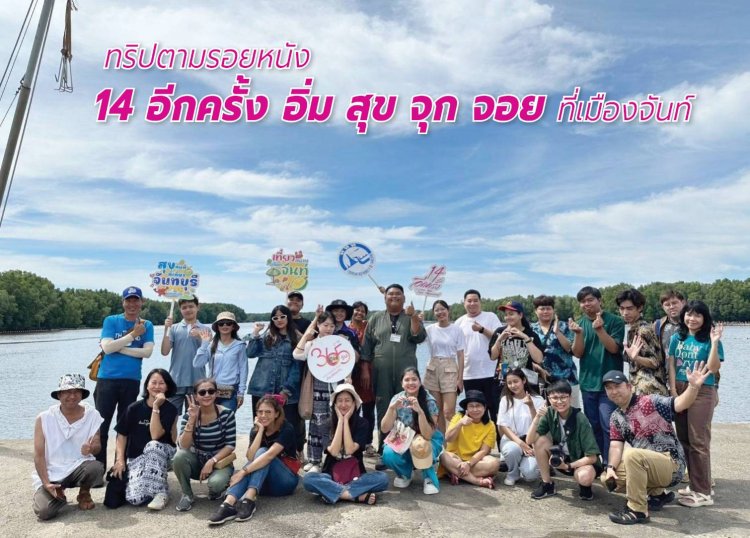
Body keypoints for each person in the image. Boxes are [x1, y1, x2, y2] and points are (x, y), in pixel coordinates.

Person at [603, 365, 713, 524]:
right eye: (609, 388)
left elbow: (680, 403)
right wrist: (610, 468)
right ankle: (657, 493)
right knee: (607, 478)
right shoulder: (616, 417)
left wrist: (693, 387)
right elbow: (615, 446)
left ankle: (637, 510)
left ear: (629, 386)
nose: (613, 391)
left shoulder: (650, 401)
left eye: (617, 386)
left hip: (671, 464)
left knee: (632, 455)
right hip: (647, 464)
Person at [361, 284, 426, 469]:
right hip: (380, 372)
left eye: (398, 294)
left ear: (404, 298)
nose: (394, 297)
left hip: (406, 374)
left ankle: (408, 451)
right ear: (385, 298)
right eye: (391, 294)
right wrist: (365, 369)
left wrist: (413, 316)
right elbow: (366, 346)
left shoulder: (411, 317)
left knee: (408, 408)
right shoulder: (375, 318)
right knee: (384, 409)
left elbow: (419, 337)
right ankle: (384, 451)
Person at [209, 395, 300, 525]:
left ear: (276, 414)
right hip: (263, 485)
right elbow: (250, 457)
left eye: (268, 412)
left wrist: (242, 472)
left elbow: (269, 455)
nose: (263, 415)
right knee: (256, 459)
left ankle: (249, 499)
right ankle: (228, 504)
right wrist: (260, 431)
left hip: (285, 482)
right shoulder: (256, 430)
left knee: (262, 453)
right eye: (260, 412)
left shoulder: (286, 429)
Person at [668, 300, 724, 507]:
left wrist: (715, 343)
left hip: (702, 390)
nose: (692, 319)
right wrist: (673, 390)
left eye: (697, 315)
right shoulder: (677, 337)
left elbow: (713, 367)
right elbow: (671, 365)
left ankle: (703, 492)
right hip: (681, 389)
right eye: (689, 314)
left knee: (698, 441)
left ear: (704, 318)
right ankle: (695, 484)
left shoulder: (709, 338)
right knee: (684, 439)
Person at [95, 286, 155, 469]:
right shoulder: (111, 321)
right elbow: (107, 348)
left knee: (125, 425)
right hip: (107, 379)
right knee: (101, 424)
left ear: (142, 302)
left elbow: (147, 352)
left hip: (131, 380)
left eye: (136, 300)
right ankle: (98, 467)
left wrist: (119, 348)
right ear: (123, 302)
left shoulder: (147, 325)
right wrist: (133, 336)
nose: (132, 304)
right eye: (128, 300)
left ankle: (119, 467)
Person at [32, 374, 104, 520]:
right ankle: (58, 494)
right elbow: (38, 455)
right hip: (52, 472)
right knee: (44, 512)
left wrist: (91, 448)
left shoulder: (92, 415)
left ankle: (84, 493)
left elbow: (97, 445)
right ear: (59, 395)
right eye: (67, 392)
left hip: (78, 466)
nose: (72, 396)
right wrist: (46, 483)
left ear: (82, 395)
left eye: (77, 392)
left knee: (96, 467)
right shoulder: (44, 418)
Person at [303, 384, 389, 504]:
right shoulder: (326, 424)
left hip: (357, 475)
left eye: (347, 400)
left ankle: (333, 493)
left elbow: (349, 450)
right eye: (340, 401)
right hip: (331, 476)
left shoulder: (362, 423)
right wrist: (340, 421)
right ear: (334, 404)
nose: (343, 405)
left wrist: (346, 419)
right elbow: (334, 451)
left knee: (383, 479)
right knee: (308, 479)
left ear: (354, 403)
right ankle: (353, 496)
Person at [569, 286, 624, 463]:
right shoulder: (580, 324)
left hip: (610, 385)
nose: (587, 304)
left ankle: (611, 464)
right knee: (594, 426)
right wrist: (578, 334)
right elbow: (577, 353)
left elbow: (614, 348)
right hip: (588, 383)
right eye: (583, 301)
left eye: (590, 300)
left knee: (609, 424)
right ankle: (600, 462)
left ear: (600, 300)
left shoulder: (615, 321)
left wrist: (600, 330)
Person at [112, 368, 179, 510]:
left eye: (161, 383)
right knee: (135, 499)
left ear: (167, 387)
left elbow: (155, 435)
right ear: (147, 385)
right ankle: (152, 484)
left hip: (162, 452)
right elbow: (121, 434)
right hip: (137, 456)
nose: (157, 386)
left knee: (152, 445)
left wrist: (156, 407)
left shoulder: (170, 409)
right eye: (153, 382)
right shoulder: (133, 408)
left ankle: (161, 493)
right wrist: (120, 460)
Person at [527, 380, 601, 501]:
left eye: (563, 397)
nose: (559, 401)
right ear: (549, 399)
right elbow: (530, 440)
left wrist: (568, 466)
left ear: (570, 398)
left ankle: (585, 486)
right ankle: (547, 484)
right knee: (540, 441)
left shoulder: (580, 419)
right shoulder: (549, 413)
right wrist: (537, 417)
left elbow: (592, 457)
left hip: (579, 462)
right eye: (555, 398)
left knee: (584, 477)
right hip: (561, 457)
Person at [172, 378, 237, 512]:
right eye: (202, 392)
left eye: (211, 391)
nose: (207, 395)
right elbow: (183, 446)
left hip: (219, 461)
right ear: (196, 396)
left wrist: (212, 461)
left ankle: (217, 489)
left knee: (216, 484)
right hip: (197, 460)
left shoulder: (227, 414)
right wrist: (192, 419)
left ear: (216, 394)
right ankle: (187, 494)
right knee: (179, 457)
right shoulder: (189, 415)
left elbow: (230, 445)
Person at [246, 305, 303, 452]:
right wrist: (255, 333)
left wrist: (286, 391)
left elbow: (296, 368)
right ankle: (257, 454)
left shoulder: (297, 338)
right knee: (260, 424)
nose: (279, 320)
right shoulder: (266, 337)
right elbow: (250, 353)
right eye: (275, 317)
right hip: (262, 389)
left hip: (286, 393)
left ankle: (289, 456)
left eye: (282, 316)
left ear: (288, 317)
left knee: (288, 426)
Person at [380, 367, 443, 495]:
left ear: (420, 382)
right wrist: (391, 409)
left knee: (421, 445)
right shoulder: (397, 399)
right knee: (388, 453)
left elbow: (428, 435)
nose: (411, 383)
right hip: (404, 437)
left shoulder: (429, 401)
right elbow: (384, 428)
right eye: (407, 380)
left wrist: (420, 411)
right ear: (402, 384)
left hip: (426, 439)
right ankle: (405, 473)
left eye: (414, 379)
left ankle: (429, 477)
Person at [294, 311, 340, 472]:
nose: (329, 328)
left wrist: (348, 378)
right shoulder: (312, 344)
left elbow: (346, 363)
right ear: (318, 326)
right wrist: (306, 337)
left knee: (333, 423)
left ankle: (332, 460)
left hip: (335, 388)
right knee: (316, 423)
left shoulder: (338, 343)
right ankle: (315, 460)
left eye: (332, 326)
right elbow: (296, 355)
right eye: (325, 325)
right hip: (317, 387)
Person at [455, 289, 502, 426]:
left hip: (491, 373)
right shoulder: (459, 322)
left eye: (475, 300)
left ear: (480, 302)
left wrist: (482, 330)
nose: (472, 303)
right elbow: (456, 352)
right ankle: (478, 439)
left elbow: (500, 338)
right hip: (469, 374)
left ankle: (499, 439)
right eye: (469, 301)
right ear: (464, 303)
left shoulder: (490, 317)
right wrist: (458, 377)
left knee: (495, 410)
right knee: (475, 413)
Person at [439, 390, 499, 488]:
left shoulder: (490, 425)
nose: (475, 409)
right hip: (455, 458)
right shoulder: (459, 417)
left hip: (475, 461)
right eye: (471, 406)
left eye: (478, 406)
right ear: (466, 408)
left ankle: (456, 473)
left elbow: (484, 451)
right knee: (443, 456)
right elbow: (448, 438)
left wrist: (468, 464)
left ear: (484, 407)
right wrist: (460, 424)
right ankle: (477, 481)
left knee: (495, 463)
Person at [160, 295, 208, 414]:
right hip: (176, 381)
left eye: (191, 306)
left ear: (198, 307)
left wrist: (200, 336)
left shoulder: (205, 329)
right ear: (180, 310)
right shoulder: (174, 328)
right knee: (170, 417)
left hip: (197, 381)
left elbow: (208, 351)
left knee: (194, 418)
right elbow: (165, 352)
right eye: (184, 307)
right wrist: (166, 329)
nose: (188, 310)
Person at [530, 295, 580, 407]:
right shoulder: (531, 329)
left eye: (548, 308)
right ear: (536, 311)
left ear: (553, 310)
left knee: (571, 412)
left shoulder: (564, 326)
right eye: (542, 309)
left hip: (567, 378)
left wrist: (557, 332)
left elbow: (570, 349)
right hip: (541, 380)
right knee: (545, 413)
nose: (545, 311)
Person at [424, 299, 465, 433]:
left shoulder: (456, 329)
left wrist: (460, 378)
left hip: (450, 367)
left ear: (448, 310)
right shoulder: (429, 329)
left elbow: (460, 355)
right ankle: (442, 441)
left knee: (448, 412)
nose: (440, 312)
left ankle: (455, 438)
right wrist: (417, 321)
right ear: (433, 312)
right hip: (433, 366)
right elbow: (415, 336)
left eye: (443, 309)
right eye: (437, 310)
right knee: (437, 411)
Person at [616, 288, 667, 395]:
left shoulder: (643, 330)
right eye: (622, 308)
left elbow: (655, 362)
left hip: (650, 389)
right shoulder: (634, 328)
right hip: (640, 386)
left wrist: (636, 358)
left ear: (640, 308)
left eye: (629, 308)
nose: (625, 313)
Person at [497, 369, 543, 485]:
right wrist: (521, 444)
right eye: (509, 383)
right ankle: (513, 473)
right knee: (511, 450)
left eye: (516, 381)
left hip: (532, 442)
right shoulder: (505, 400)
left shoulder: (538, 399)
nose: (513, 385)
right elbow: (503, 426)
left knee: (530, 475)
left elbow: (540, 425)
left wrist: (531, 406)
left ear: (524, 380)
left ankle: (524, 466)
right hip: (512, 440)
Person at [194, 312, 248, 411]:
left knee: (226, 418)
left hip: (231, 390)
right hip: (211, 390)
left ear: (233, 326)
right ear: (217, 327)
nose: (225, 326)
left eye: (228, 323)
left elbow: (243, 369)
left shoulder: (240, 345)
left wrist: (241, 392)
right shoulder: (211, 345)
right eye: (221, 323)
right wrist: (204, 344)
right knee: (211, 418)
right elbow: (197, 364)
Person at [489, 301, 544, 385]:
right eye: (506, 314)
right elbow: (493, 357)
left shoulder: (531, 334)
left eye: (511, 314)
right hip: (503, 380)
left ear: (520, 315)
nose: (508, 317)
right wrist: (499, 340)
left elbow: (539, 359)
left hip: (526, 382)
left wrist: (525, 337)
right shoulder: (499, 332)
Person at [349, 300, 377, 455]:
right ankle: (353, 441)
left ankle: (368, 442)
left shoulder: (370, 327)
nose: (359, 313)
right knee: (353, 409)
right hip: (352, 374)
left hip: (368, 372)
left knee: (369, 409)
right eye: (357, 310)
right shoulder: (347, 329)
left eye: (362, 311)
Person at [654, 289, 686, 366]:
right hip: (667, 371)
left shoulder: (693, 323)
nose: (671, 307)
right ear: (663, 307)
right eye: (667, 305)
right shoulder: (658, 325)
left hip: (691, 371)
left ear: (683, 303)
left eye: (674, 303)